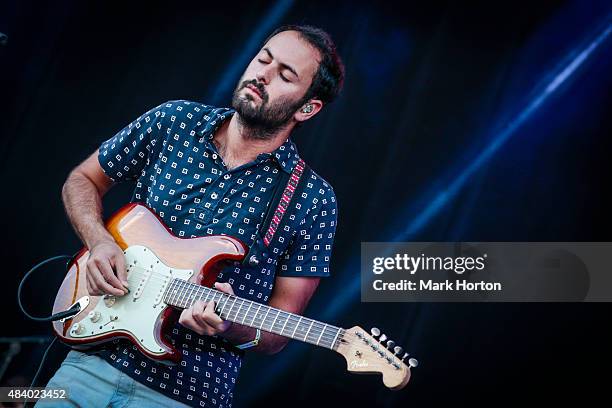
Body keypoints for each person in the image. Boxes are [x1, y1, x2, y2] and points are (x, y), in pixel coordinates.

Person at [38, 25, 344, 407]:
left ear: (308, 107)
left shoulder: (312, 198)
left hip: (187, 394)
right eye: (262, 59)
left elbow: (279, 332)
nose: (262, 74)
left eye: (284, 74)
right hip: (88, 361)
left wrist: (232, 327)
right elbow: (82, 179)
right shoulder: (174, 121)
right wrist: (99, 241)